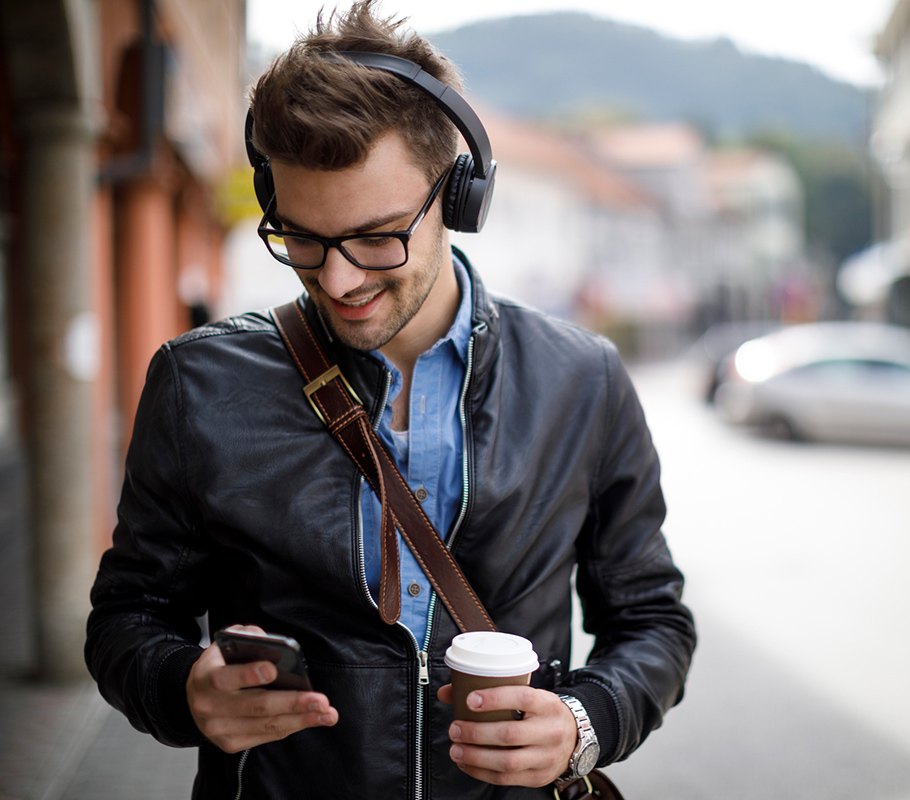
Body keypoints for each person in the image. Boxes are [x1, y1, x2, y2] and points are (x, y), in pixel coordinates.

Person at [84, 3, 695, 798]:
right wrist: (179, 688)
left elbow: (652, 621)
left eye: (377, 238)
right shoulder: (197, 383)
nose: (338, 280)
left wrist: (588, 724)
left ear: (461, 198)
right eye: (302, 238)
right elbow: (127, 615)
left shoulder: (585, 379)